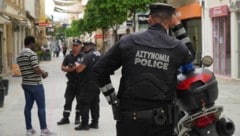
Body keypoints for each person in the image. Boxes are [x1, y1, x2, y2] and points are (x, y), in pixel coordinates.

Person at [93, 3, 195, 136]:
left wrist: (113, 100)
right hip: (161, 122)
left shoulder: (128, 41)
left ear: (149, 19)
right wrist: (178, 26)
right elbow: (190, 56)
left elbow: (99, 70)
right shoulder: (177, 48)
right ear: (170, 21)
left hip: (129, 121)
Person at [16, 36, 53, 136]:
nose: (34, 46)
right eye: (34, 44)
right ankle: (44, 130)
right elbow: (36, 69)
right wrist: (44, 73)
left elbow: (25, 69)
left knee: (28, 107)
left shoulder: (19, 56)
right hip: (36, 84)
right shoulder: (32, 54)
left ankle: (29, 129)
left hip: (25, 84)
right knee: (41, 107)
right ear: (31, 43)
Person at [74, 42, 102, 130]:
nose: (83, 49)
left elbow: (79, 69)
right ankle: (95, 123)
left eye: (84, 47)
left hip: (87, 84)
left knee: (84, 103)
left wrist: (76, 66)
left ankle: (84, 124)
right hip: (97, 83)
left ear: (87, 47)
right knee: (95, 104)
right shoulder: (99, 54)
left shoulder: (88, 56)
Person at [57, 39, 84, 125]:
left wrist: (77, 68)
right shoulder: (68, 56)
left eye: (76, 45)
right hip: (71, 82)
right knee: (68, 100)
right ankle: (65, 117)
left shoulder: (84, 56)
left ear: (80, 46)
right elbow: (62, 67)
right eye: (73, 45)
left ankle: (77, 117)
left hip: (81, 82)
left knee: (80, 101)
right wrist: (68, 69)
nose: (74, 47)